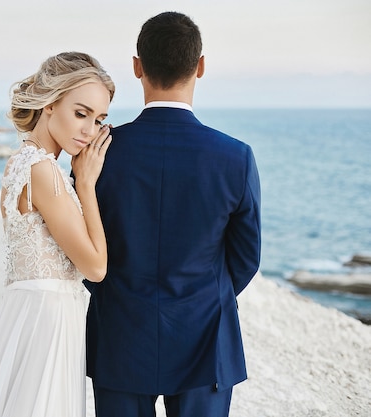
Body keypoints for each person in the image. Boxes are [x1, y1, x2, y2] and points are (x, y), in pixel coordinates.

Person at [85, 12, 261, 417]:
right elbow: (246, 258)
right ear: (200, 66)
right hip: (206, 338)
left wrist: (117, 294)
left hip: (120, 332)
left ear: (137, 66)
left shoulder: (98, 151)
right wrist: (202, 296)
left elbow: (82, 246)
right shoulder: (235, 157)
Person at [0, 51, 115, 417]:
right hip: (48, 319)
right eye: (81, 113)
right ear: (49, 104)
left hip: (28, 312)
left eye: (99, 120)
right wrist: (87, 183)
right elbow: (95, 268)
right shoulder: (43, 169)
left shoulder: (20, 161)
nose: (89, 131)